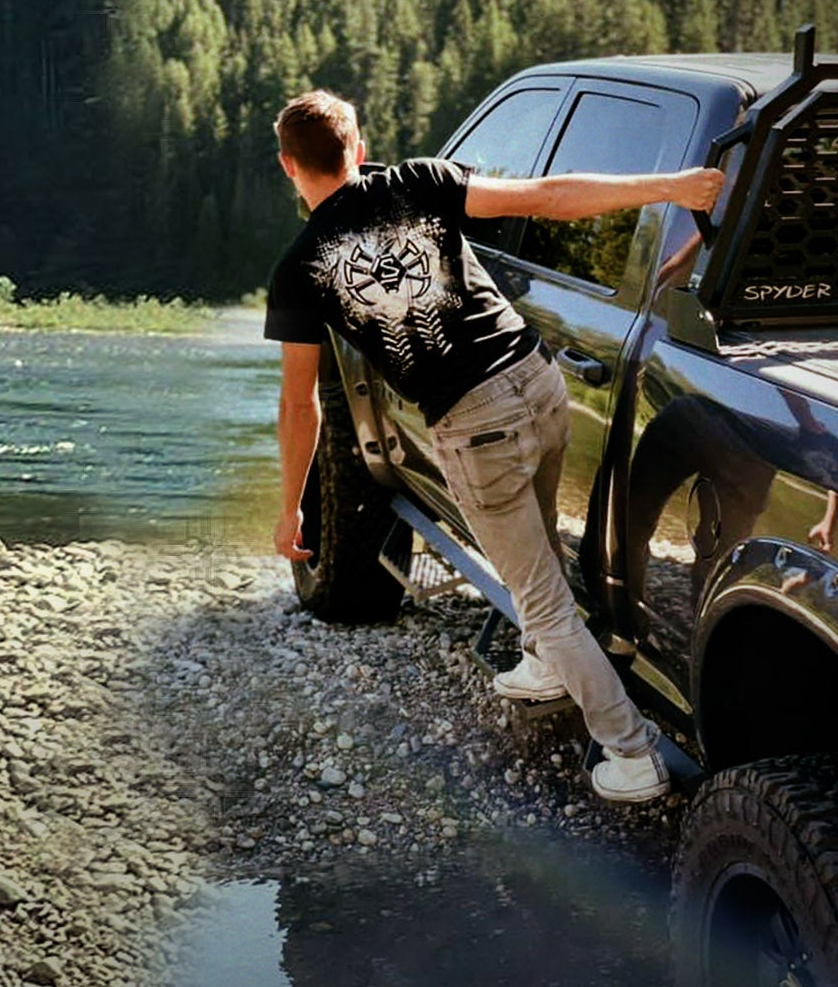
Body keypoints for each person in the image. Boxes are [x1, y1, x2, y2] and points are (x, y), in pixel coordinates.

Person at [262, 89, 724, 802]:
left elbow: (300, 408)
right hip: (540, 383)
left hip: (476, 426)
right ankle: (546, 664)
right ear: (358, 148)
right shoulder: (419, 180)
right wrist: (672, 187)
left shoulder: (298, 269)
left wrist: (292, 508)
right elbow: (547, 197)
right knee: (538, 553)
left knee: (539, 597)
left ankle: (632, 754)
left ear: (290, 166)